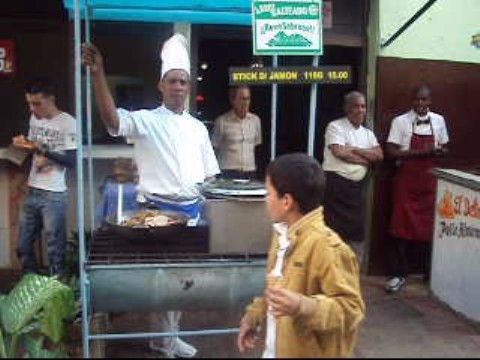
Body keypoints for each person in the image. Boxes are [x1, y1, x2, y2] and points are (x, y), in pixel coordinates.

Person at [82, 33, 220, 358]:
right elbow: (113, 121)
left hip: (193, 213)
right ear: (161, 85)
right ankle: (163, 341)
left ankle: (168, 338)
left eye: (183, 82)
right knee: (163, 282)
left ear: (189, 87)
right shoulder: (146, 120)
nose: (178, 87)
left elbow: (209, 176)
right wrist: (99, 73)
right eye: (172, 81)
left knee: (183, 281)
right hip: (157, 215)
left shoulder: (198, 129)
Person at [237, 153, 366, 358]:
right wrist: (254, 315)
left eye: (268, 193)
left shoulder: (328, 247)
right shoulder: (281, 234)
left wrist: (303, 305)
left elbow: (352, 310)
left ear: (286, 201)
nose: (265, 199)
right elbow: (275, 291)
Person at [384, 85, 449, 293]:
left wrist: (438, 151)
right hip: (406, 182)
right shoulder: (400, 121)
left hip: (429, 183)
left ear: (430, 101)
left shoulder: (439, 121)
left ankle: (429, 274)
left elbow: (446, 147)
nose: (421, 103)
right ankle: (397, 274)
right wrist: (420, 152)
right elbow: (392, 151)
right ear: (412, 101)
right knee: (399, 228)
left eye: (424, 100)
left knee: (429, 228)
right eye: (417, 100)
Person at [12, 78, 77, 278]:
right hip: (33, 188)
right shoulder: (35, 119)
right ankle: (33, 287)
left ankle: (57, 294)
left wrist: (45, 153)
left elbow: (72, 161)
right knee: (23, 246)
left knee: (55, 251)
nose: (33, 109)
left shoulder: (68, 122)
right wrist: (22, 146)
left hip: (54, 194)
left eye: (37, 103)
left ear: (51, 99)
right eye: (30, 103)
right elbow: (34, 147)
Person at [322, 91, 383, 260]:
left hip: (356, 191)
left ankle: (350, 273)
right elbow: (339, 152)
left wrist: (355, 149)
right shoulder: (335, 126)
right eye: (356, 106)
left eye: (363, 106)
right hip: (336, 187)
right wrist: (365, 159)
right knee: (332, 233)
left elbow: (379, 155)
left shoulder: (368, 134)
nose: (360, 110)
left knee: (355, 233)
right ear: (347, 108)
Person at [212, 85, 262, 180]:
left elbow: (256, 145)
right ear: (233, 100)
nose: (246, 103)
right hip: (228, 172)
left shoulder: (255, 120)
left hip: (250, 172)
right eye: (242, 99)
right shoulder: (222, 121)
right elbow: (215, 147)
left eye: (248, 99)